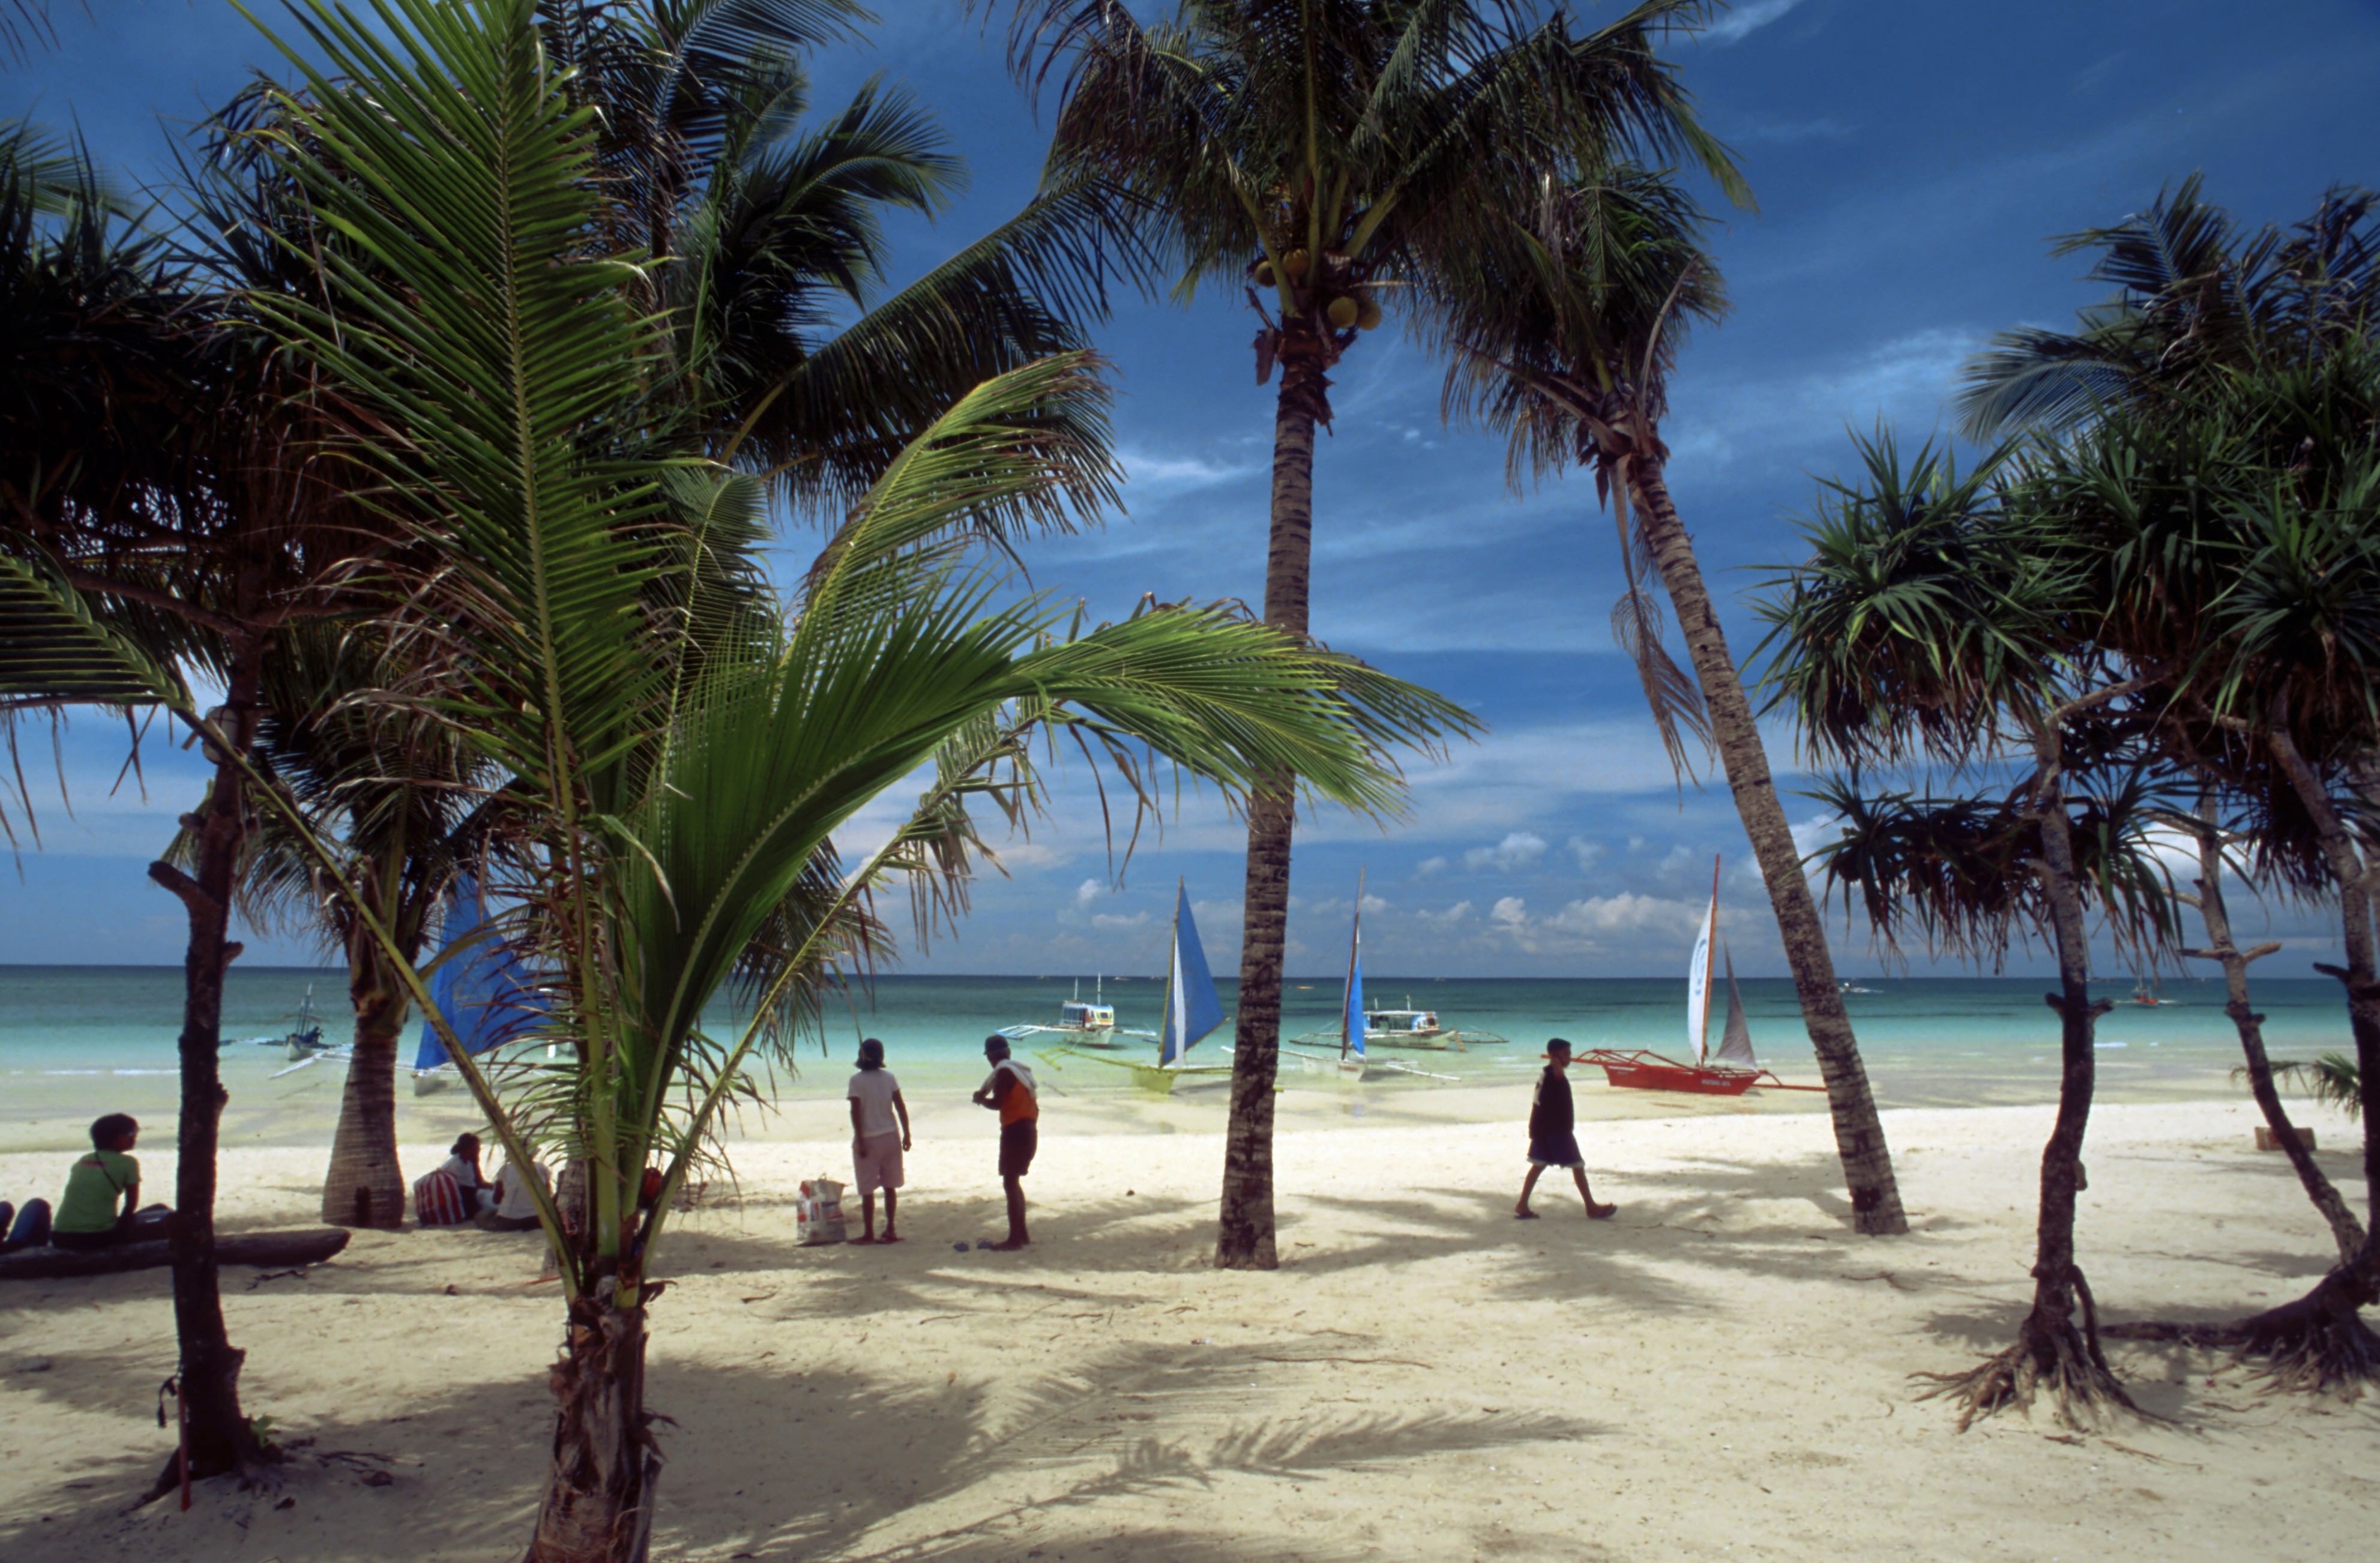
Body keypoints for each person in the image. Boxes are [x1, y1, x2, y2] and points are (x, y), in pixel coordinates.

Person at [1516, 1040, 1616, 1221]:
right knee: (1577, 1165)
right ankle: (1591, 1207)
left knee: (1539, 1165)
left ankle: (1522, 1204)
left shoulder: (1547, 1074)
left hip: (1544, 1129)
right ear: (1555, 1056)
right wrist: (1558, 1070)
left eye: (1569, 1054)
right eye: (1566, 1054)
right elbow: (1555, 1088)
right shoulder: (1553, 1075)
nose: (1569, 1058)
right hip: (1556, 1131)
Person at [50, 1113, 172, 1250]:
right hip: (97, 1237)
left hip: (60, 1236)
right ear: (114, 1137)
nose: (134, 1137)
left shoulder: (84, 1160)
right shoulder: (128, 1163)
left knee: (159, 1209)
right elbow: (131, 1204)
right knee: (166, 1217)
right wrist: (124, 1230)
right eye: (131, 1132)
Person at [971, 1034, 1038, 1250]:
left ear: (991, 1056)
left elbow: (998, 1103)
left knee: (1010, 1183)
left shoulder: (1004, 1074)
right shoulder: (1020, 1072)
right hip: (1028, 1130)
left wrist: (981, 1100)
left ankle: (1015, 1239)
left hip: (1015, 1131)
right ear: (1008, 1052)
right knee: (1014, 1182)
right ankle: (1022, 1234)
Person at [846, 1037, 912, 1245]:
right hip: (891, 1136)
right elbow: (900, 1107)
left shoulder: (856, 1081)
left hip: (869, 1139)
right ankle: (890, 1229)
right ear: (881, 1056)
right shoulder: (889, 1078)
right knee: (890, 1186)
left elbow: (855, 1113)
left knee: (868, 1190)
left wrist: (861, 1140)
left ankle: (869, 1234)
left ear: (861, 1056)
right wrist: (906, 1134)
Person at [477, 1149, 550, 1232]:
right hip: (537, 1219)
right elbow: (547, 1197)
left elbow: (497, 1200)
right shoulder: (542, 1168)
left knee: (481, 1216)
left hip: (510, 1221)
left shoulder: (505, 1170)